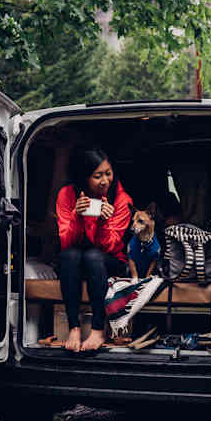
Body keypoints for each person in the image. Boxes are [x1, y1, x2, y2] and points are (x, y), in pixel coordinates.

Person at [56, 147, 132, 352]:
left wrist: (104, 222)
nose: (105, 180)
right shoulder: (67, 194)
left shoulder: (121, 200)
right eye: (97, 176)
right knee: (69, 255)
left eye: (108, 173)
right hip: (77, 259)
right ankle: (74, 327)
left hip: (110, 260)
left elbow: (113, 246)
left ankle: (98, 329)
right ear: (83, 177)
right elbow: (65, 241)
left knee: (92, 256)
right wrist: (76, 216)